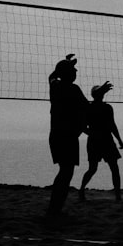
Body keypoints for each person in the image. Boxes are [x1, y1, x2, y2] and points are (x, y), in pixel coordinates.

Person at [47, 54, 89, 217]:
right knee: (66, 173)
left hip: (56, 135)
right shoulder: (73, 89)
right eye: (73, 69)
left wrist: (64, 64)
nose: (76, 71)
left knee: (64, 171)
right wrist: (85, 126)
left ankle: (55, 209)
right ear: (68, 73)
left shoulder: (54, 86)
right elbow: (87, 107)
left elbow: (51, 76)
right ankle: (54, 210)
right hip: (68, 136)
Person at [78, 82, 123, 202]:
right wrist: (118, 139)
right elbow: (111, 126)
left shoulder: (95, 107)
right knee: (103, 168)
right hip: (102, 140)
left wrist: (118, 139)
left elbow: (111, 125)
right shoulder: (95, 107)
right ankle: (83, 190)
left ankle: (117, 195)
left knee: (105, 168)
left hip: (99, 140)